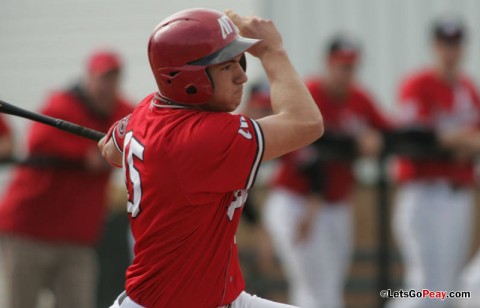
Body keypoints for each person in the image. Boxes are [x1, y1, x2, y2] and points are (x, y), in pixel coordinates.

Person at [100, 8, 323, 308]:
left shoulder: (147, 109)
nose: (242, 76)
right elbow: (306, 123)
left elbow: (111, 150)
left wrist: (126, 138)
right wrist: (272, 50)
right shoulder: (207, 137)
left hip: (210, 298)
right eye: (226, 66)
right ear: (188, 79)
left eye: (239, 62)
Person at [263, 34, 391, 308]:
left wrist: (376, 138)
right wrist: (312, 204)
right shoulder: (309, 93)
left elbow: (388, 131)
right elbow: (308, 152)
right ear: (328, 64)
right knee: (317, 290)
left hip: (336, 204)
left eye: (352, 67)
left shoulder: (359, 99)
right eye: (342, 66)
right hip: (300, 200)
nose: (347, 73)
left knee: (327, 287)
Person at [0, 50, 133, 308]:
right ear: (89, 78)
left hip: (78, 236)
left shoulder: (122, 112)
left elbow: (145, 132)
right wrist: (85, 154)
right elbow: (38, 140)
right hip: (29, 229)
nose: (107, 86)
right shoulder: (61, 105)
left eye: (113, 79)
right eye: (102, 78)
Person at [388, 16, 480, 308]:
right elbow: (414, 139)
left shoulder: (467, 89)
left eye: (455, 44)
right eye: (445, 44)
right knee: (425, 285)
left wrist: (453, 141)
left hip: (458, 194)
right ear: (435, 46)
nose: (450, 51)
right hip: (424, 192)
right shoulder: (419, 83)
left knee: (450, 287)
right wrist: (456, 141)